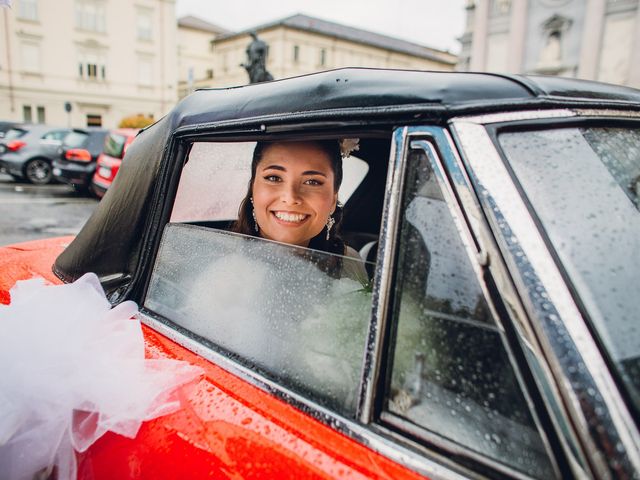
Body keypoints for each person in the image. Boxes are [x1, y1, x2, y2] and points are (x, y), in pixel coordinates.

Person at [230, 139, 367, 281]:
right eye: (274, 178)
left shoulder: (349, 264)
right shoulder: (221, 260)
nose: (290, 198)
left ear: (333, 199)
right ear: (253, 189)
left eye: (312, 182)